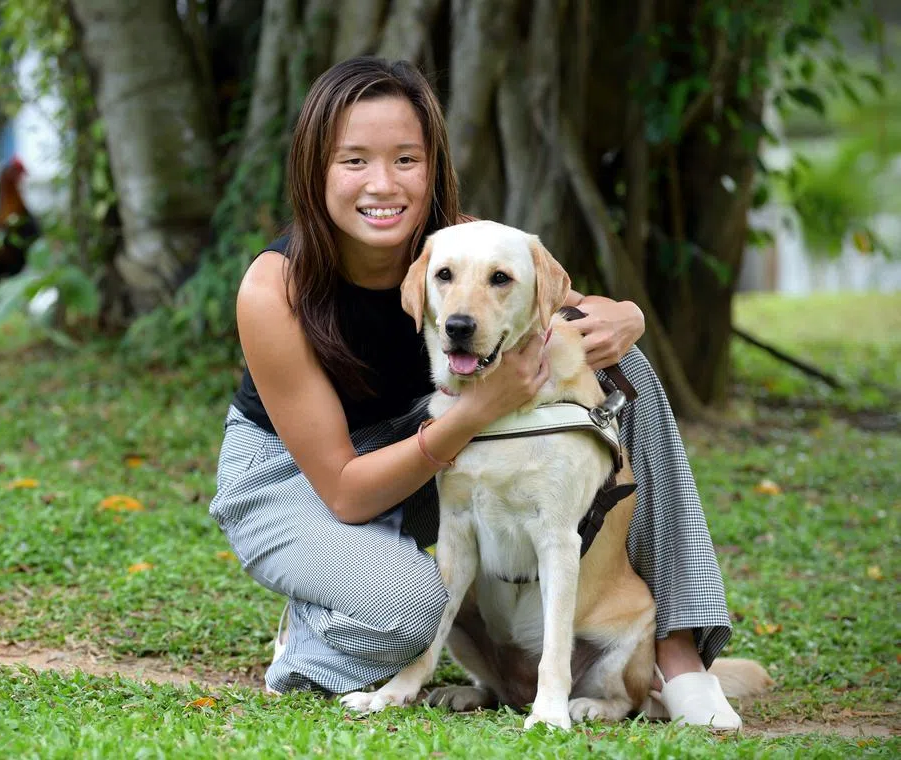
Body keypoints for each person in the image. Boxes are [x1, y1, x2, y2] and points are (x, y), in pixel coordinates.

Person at [209, 56, 738, 727]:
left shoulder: (464, 249)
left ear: (434, 167)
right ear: (315, 170)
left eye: (406, 159)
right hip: (297, 476)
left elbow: (566, 307)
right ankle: (312, 632)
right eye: (354, 162)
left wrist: (623, 316)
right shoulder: (273, 287)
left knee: (625, 377)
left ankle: (679, 650)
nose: (383, 184)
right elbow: (344, 489)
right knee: (407, 611)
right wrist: (479, 411)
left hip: (427, 444)